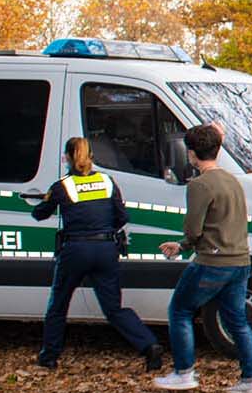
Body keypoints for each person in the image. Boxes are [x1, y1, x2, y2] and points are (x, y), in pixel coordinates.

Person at [31, 137, 163, 371]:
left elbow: (40, 214)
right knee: (113, 309)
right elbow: (122, 217)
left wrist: (45, 200)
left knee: (58, 305)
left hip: (75, 250)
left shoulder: (62, 186)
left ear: (68, 157)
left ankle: (49, 357)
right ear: (91, 156)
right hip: (105, 250)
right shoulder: (107, 181)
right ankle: (149, 345)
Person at [153, 123, 252, 393]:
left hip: (212, 262)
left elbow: (194, 229)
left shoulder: (199, 185)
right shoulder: (232, 180)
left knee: (180, 310)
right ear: (217, 149)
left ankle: (184, 372)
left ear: (191, 153)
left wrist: (183, 244)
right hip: (240, 259)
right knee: (237, 320)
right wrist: (184, 245)